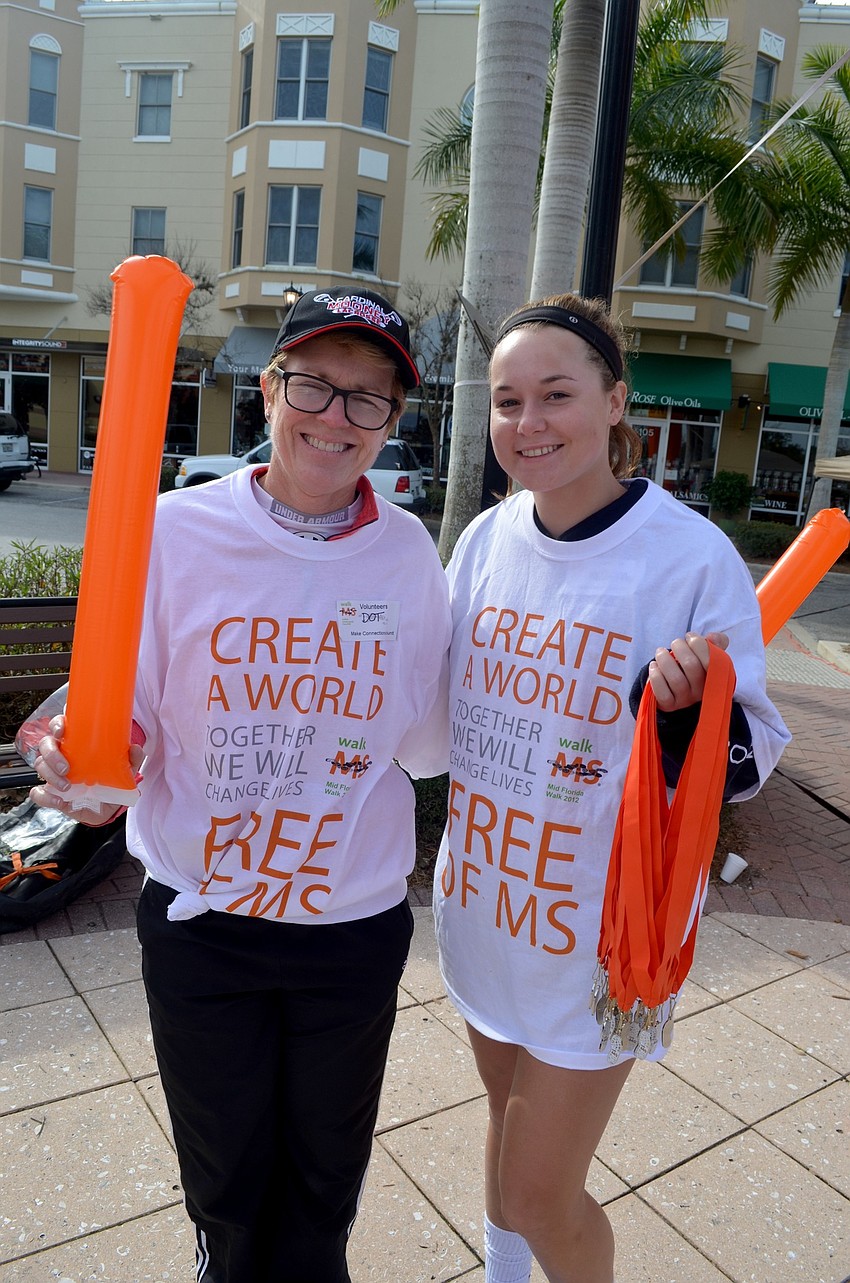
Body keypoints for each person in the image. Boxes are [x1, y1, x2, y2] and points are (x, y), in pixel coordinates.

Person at [31, 286, 451, 1283]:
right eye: (314, 383)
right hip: (202, 920)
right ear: (270, 389)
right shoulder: (171, 530)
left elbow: (428, 742)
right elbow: (115, 703)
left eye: (367, 398)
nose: (335, 416)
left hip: (350, 927)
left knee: (322, 1179)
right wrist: (84, 756)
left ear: (391, 421)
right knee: (225, 1177)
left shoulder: (407, 553)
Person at [432, 293, 790, 1283]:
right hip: (487, 902)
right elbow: (430, 704)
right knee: (507, 1143)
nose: (528, 421)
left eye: (556, 393)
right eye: (507, 400)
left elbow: (750, 751)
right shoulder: (486, 539)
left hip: (602, 934)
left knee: (543, 1186)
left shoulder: (685, 557)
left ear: (615, 400)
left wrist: (682, 715)